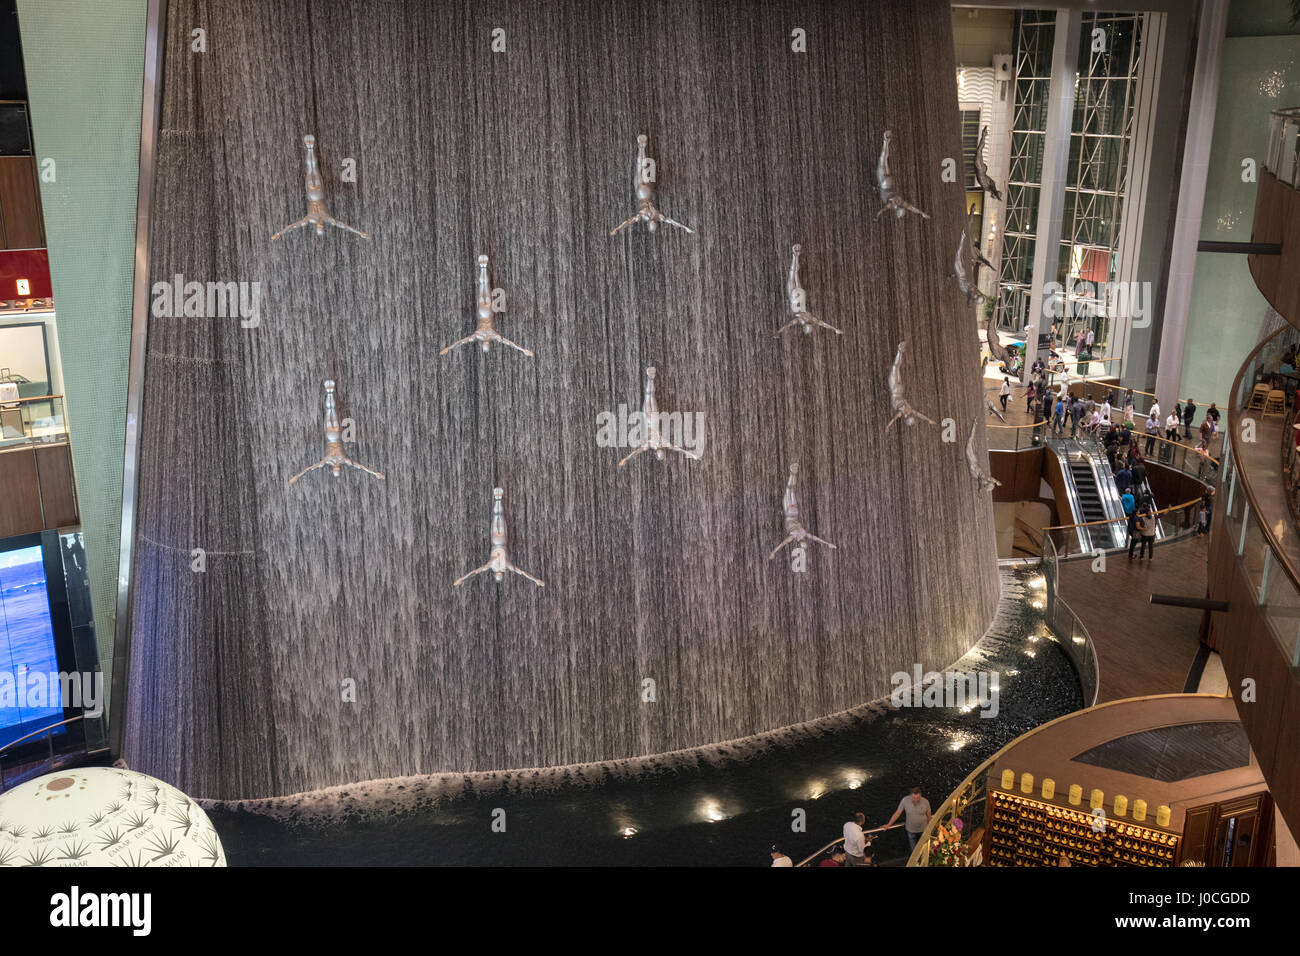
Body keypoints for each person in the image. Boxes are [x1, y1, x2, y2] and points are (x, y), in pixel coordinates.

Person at [887, 787, 933, 852]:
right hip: (911, 831)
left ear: (921, 796)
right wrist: (888, 824)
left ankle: (923, 861)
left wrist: (930, 828)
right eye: (914, 798)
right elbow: (898, 813)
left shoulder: (925, 802)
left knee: (924, 849)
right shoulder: (905, 800)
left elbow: (929, 816)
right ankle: (916, 862)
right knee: (913, 850)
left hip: (923, 830)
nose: (916, 800)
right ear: (911, 796)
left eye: (918, 798)